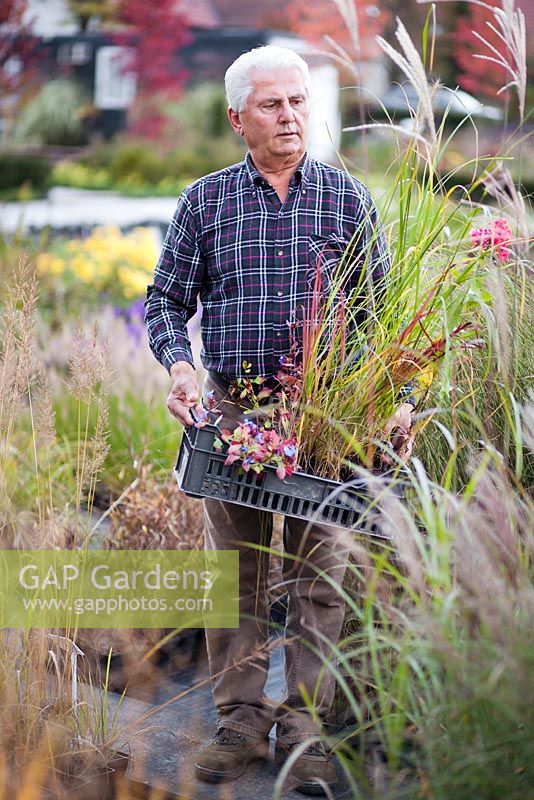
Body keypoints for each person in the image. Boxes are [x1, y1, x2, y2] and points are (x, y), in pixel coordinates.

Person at [145, 44, 414, 796]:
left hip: (326, 418)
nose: (291, 116)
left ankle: (305, 730)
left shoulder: (346, 199)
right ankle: (237, 723)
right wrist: (180, 366)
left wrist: (392, 399)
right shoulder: (206, 201)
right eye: (272, 104)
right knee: (237, 572)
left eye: (299, 102)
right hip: (233, 411)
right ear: (238, 119)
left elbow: (383, 319)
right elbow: (165, 300)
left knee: (320, 576)